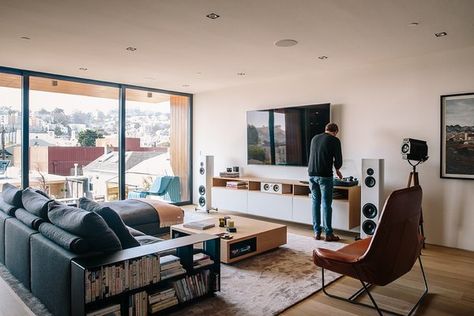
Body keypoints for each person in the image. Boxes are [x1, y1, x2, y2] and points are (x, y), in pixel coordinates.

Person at [308, 123, 343, 241]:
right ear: (336, 131)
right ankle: (328, 234)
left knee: (315, 203)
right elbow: (338, 159)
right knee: (326, 204)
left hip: (312, 174)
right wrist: (338, 169)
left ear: (325, 129)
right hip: (325, 176)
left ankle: (317, 233)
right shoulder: (335, 140)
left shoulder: (315, 138)